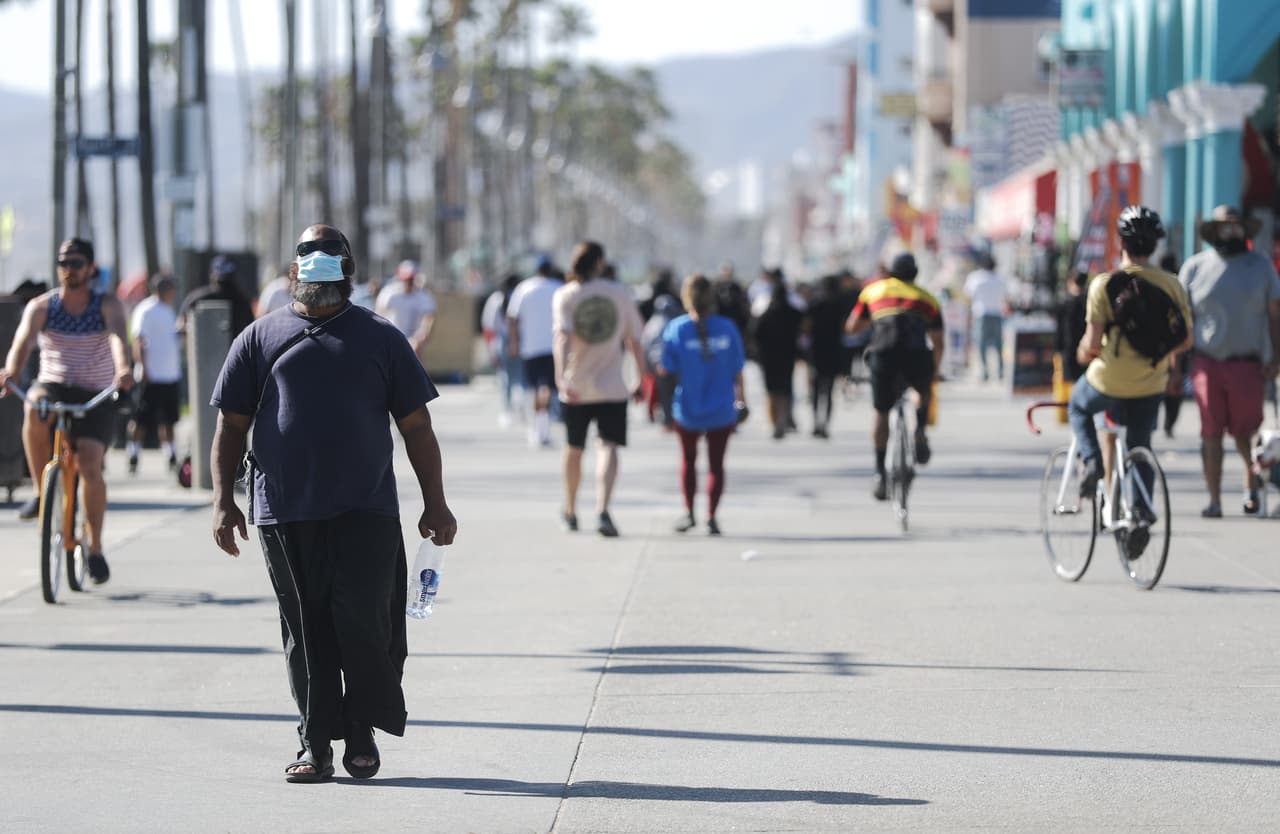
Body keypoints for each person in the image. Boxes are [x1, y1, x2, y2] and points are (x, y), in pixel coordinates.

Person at [210, 224, 456, 783]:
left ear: (348, 270)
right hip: (283, 510)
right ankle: (315, 743)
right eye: (307, 253)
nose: (316, 262)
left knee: (368, 625)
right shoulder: (257, 337)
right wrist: (223, 500)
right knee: (306, 629)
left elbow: (417, 426)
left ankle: (362, 730)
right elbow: (230, 425)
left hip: (366, 508)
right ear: (292, 270)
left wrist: (435, 504)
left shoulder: (381, 337)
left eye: (328, 253)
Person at [0, 238, 134, 583]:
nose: (68, 270)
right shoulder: (43, 307)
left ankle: (95, 548)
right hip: (55, 383)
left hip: (94, 391)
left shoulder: (106, 305)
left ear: (90, 268)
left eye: (76, 263)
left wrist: (123, 369)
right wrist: (11, 371)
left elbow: (118, 338)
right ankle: (40, 492)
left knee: (89, 463)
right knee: (34, 408)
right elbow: (22, 343)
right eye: (63, 263)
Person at [1069, 206, 1192, 505]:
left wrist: (1084, 352)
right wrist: (1157, 352)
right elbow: (1186, 339)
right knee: (1141, 445)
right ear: (1154, 245)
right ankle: (1141, 511)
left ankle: (1093, 461)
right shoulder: (1172, 284)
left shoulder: (1103, 284)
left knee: (1078, 406)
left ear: (1121, 242)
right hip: (1151, 380)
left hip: (1109, 380)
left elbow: (1092, 343)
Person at [1178, 205, 1280, 517]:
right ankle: (1214, 500)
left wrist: (1276, 356)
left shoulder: (1261, 266)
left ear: (1244, 230)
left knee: (1245, 432)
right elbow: (1181, 320)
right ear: (1214, 231)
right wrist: (1175, 366)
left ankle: (1252, 485)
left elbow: (1274, 315)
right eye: (1224, 227)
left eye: (1235, 226)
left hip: (1247, 363)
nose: (1230, 232)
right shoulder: (1195, 268)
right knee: (1210, 434)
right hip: (1207, 362)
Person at [552, 240, 646, 537]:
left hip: (576, 385)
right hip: (612, 386)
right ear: (600, 263)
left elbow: (562, 338)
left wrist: (561, 378)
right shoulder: (619, 293)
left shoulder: (566, 295)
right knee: (608, 446)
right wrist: (641, 377)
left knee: (574, 448)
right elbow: (635, 339)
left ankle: (570, 510)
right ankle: (603, 509)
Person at [845, 252, 944, 501]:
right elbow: (938, 340)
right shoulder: (928, 298)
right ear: (915, 274)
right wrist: (934, 371)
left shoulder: (873, 291)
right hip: (916, 355)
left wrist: (874, 320)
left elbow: (852, 327)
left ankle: (880, 472)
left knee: (881, 412)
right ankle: (919, 431)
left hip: (883, 354)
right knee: (922, 391)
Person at [660, 274, 746, 535]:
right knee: (716, 465)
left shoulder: (676, 329)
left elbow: (666, 369)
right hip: (722, 408)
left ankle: (689, 512)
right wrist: (741, 400)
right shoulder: (727, 328)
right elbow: (738, 369)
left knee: (688, 461)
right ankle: (711, 516)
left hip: (688, 407)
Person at [127, 274, 182, 473]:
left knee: (168, 419)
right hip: (150, 376)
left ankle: (171, 454)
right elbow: (138, 340)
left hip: (169, 374)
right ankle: (133, 453)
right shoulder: (145, 309)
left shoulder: (168, 310)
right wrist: (143, 367)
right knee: (141, 419)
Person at [507, 256, 564, 446]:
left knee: (535, 388)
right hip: (553, 346)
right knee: (546, 388)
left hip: (530, 347)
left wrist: (514, 342)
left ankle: (538, 427)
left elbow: (512, 318)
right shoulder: (558, 288)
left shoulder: (524, 288)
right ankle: (542, 427)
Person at [752, 271, 804, 439]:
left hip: (769, 358)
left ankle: (775, 422)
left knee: (771, 391)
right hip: (787, 356)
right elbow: (803, 330)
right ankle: (783, 418)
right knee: (785, 389)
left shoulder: (765, 314)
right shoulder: (793, 313)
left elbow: (755, 333)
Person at [805, 273, 852, 438]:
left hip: (816, 352)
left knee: (816, 391)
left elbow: (806, 327)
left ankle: (816, 423)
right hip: (834, 351)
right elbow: (845, 328)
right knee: (829, 391)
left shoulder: (814, 304)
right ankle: (825, 424)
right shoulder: (840, 305)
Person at [178, 254, 255, 341]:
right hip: (228, 348)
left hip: (212, 348)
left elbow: (181, 329)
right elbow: (181, 327)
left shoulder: (196, 298)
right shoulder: (243, 301)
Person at [481, 273, 524, 426]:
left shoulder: (495, 299)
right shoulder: (520, 296)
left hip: (502, 340)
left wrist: (490, 349)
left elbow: (488, 326)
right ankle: (522, 409)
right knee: (521, 377)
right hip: (520, 340)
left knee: (505, 376)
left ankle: (507, 410)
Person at [375, 259, 436, 356]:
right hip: (392, 337)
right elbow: (378, 315)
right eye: (406, 279)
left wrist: (419, 338)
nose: (408, 282)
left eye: (410, 279)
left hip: (413, 339)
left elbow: (429, 319)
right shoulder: (389, 294)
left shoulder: (423, 296)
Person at [964, 252, 1009, 381]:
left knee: (981, 344)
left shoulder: (975, 277)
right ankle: (1000, 370)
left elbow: (968, 294)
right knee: (999, 344)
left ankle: (984, 371)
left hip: (981, 314)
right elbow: (1006, 295)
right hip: (997, 313)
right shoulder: (1000, 278)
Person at [642, 294, 682, 426]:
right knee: (673, 392)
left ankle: (668, 420)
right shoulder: (674, 322)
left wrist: (647, 367)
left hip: (656, 364)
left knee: (664, 393)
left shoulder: (651, 323)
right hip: (669, 363)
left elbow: (645, 346)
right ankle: (673, 420)